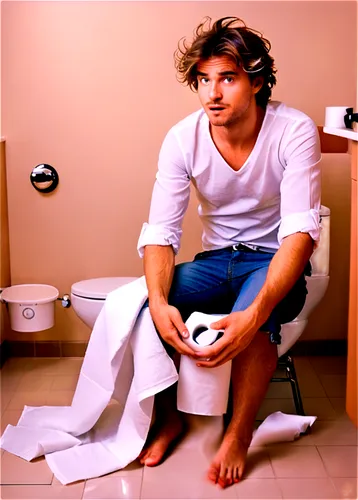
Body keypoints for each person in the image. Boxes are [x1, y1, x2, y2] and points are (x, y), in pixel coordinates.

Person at [136, 16, 321, 489]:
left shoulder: (294, 130)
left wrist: (257, 309)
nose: (212, 93)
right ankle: (169, 417)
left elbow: (300, 233)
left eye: (228, 78)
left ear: (257, 82)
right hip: (217, 261)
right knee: (144, 302)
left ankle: (238, 433)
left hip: (273, 258)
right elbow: (161, 231)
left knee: (254, 316)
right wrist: (159, 304)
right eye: (204, 79)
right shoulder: (183, 138)